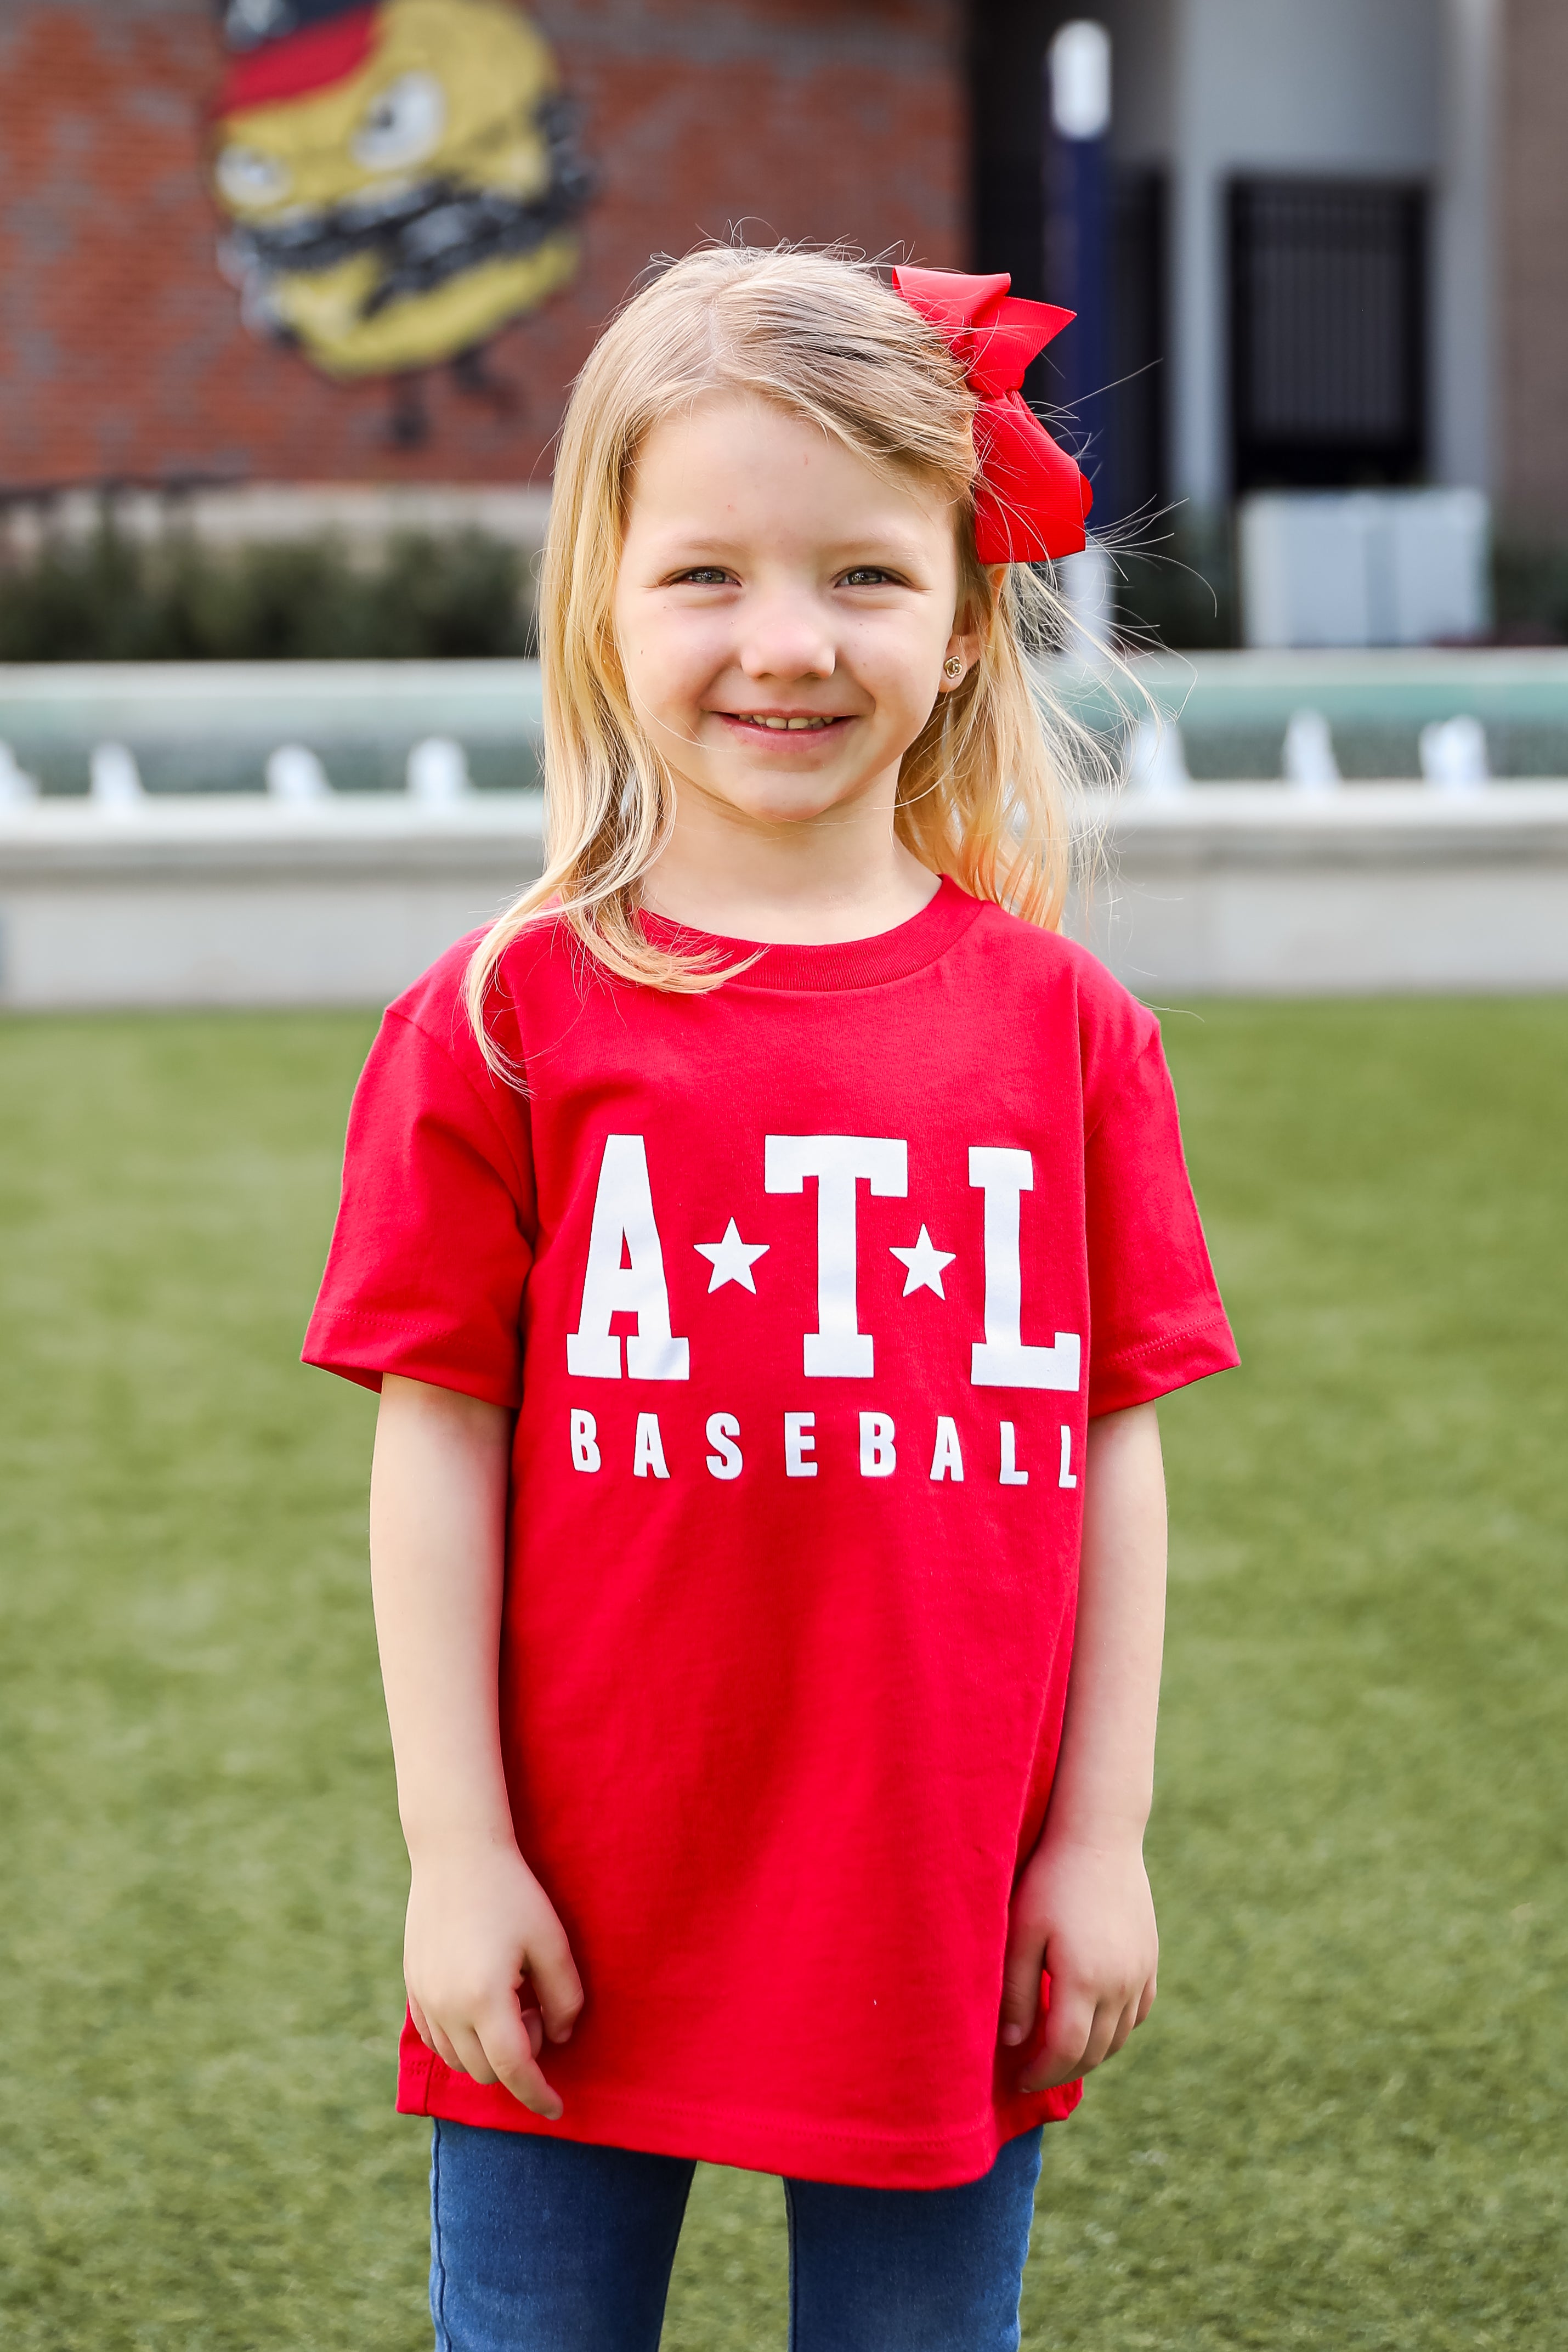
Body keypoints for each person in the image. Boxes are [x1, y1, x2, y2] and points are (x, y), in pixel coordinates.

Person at [304, 244, 1238, 2352]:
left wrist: (1098, 1838)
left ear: (968, 613)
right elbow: (432, 1450)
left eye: (863, 578)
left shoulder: (1068, 1034)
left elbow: (1112, 1457)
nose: (786, 646)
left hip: (930, 1900)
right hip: (575, 1902)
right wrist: (459, 1856)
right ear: (602, 602)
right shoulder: (500, 1022)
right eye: (707, 575)